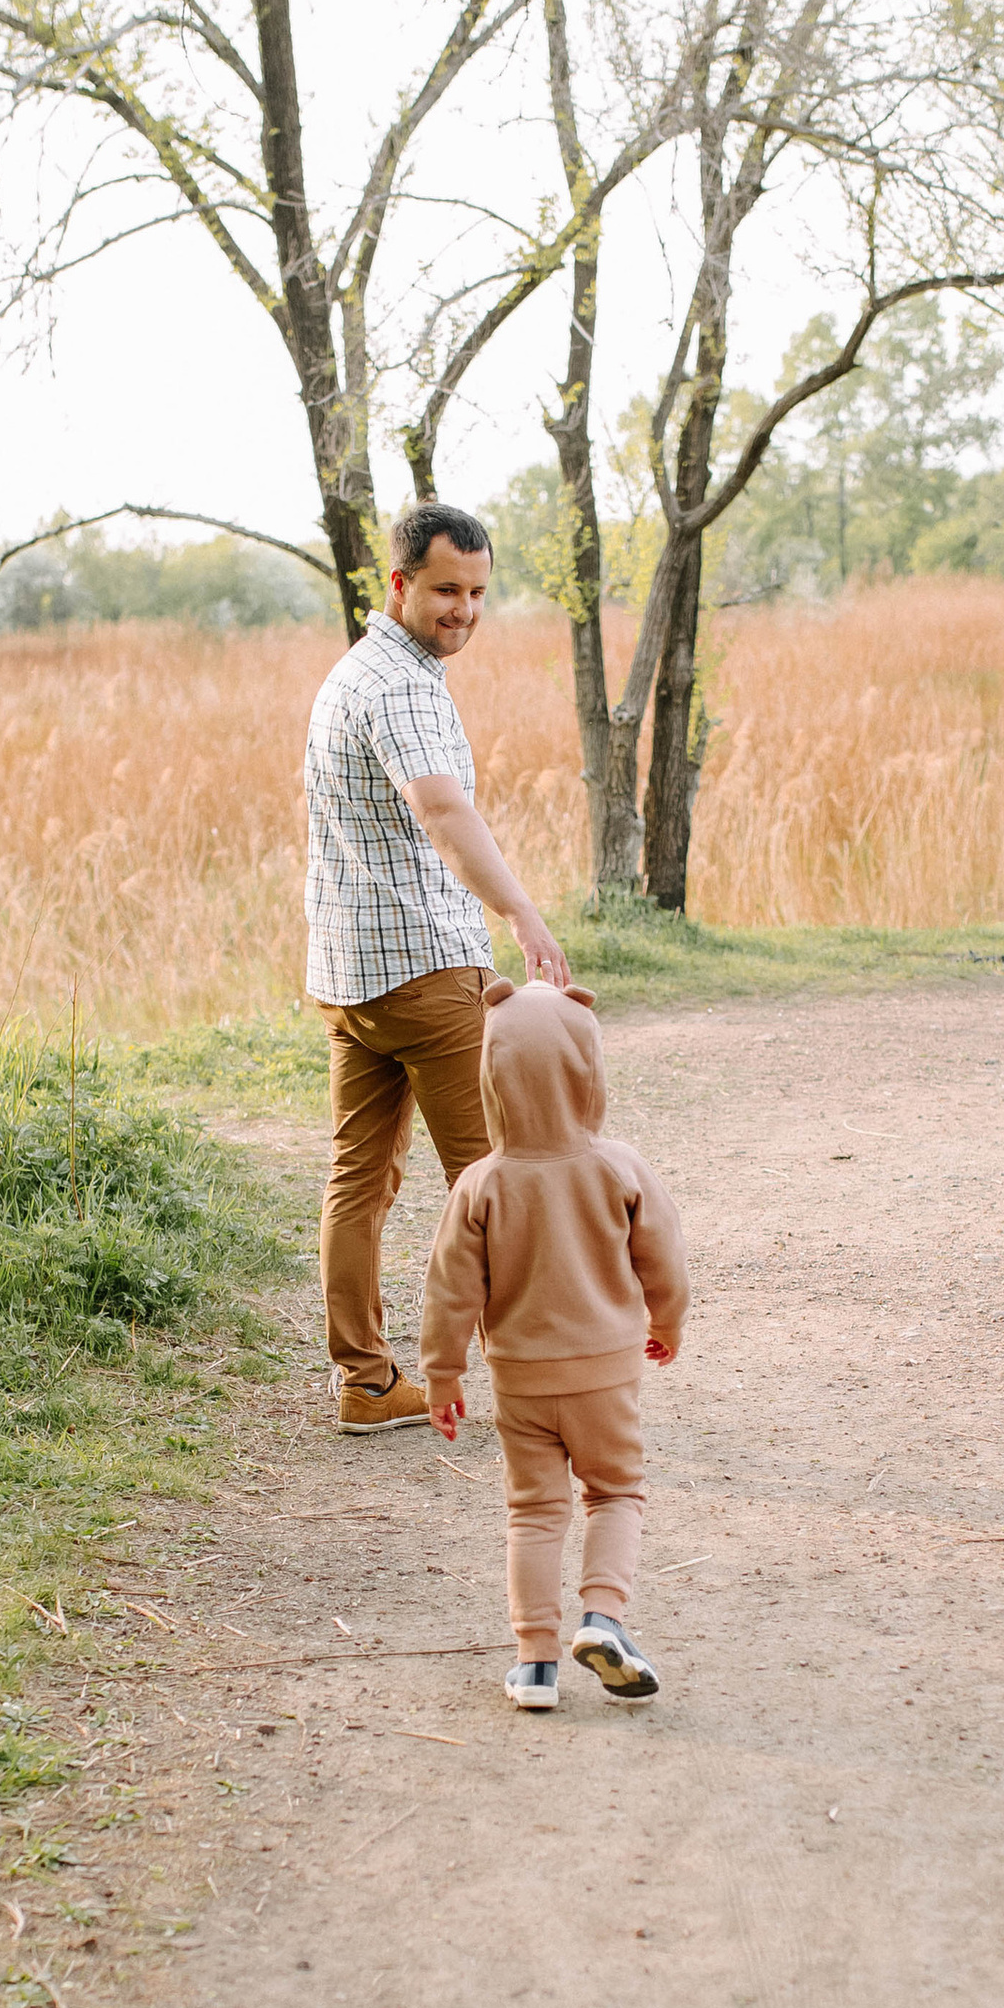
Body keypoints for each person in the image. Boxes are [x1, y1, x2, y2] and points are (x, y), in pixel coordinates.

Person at [304, 503, 570, 1432]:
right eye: (448, 589)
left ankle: (368, 1384)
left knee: (359, 1179)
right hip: (420, 972)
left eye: (478, 592)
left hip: (349, 973)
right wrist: (521, 913)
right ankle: (539, 1382)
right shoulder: (407, 689)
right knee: (491, 1175)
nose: (464, 609)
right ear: (400, 583)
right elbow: (443, 813)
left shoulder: (353, 672)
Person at [420, 980, 688, 1712]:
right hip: (606, 1375)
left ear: (491, 1076)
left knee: (534, 1511)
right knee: (614, 1492)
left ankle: (534, 1662)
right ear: (587, 1068)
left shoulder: (481, 1184)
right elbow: (664, 1258)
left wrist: (442, 1377)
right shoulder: (620, 1168)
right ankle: (602, 1619)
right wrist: (667, 1324)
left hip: (521, 1382)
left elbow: (450, 1292)